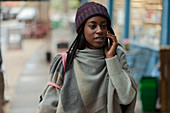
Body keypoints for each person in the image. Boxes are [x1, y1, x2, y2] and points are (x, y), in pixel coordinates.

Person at [38, 2, 137, 113]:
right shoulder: (64, 62)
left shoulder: (117, 56)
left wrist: (111, 60)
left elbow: (127, 97)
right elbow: (48, 105)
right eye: (92, 26)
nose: (99, 30)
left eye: (103, 26)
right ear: (82, 30)